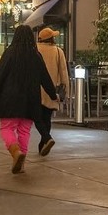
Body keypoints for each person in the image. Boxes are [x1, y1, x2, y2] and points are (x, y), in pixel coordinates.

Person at [0, 25, 58, 174]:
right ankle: (21, 165)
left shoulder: (9, 53)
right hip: (31, 102)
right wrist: (54, 95)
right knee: (24, 131)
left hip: (10, 100)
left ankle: (16, 153)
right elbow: (45, 78)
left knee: (7, 128)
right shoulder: (36, 55)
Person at [35, 27, 68, 156]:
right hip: (52, 90)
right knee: (47, 118)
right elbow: (64, 72)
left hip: (36, 89)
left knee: (37, 117)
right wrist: (65, 89)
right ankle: (44, 141)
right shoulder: (58, 51)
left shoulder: (35, 50)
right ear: (51, 39)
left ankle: (46, 139)